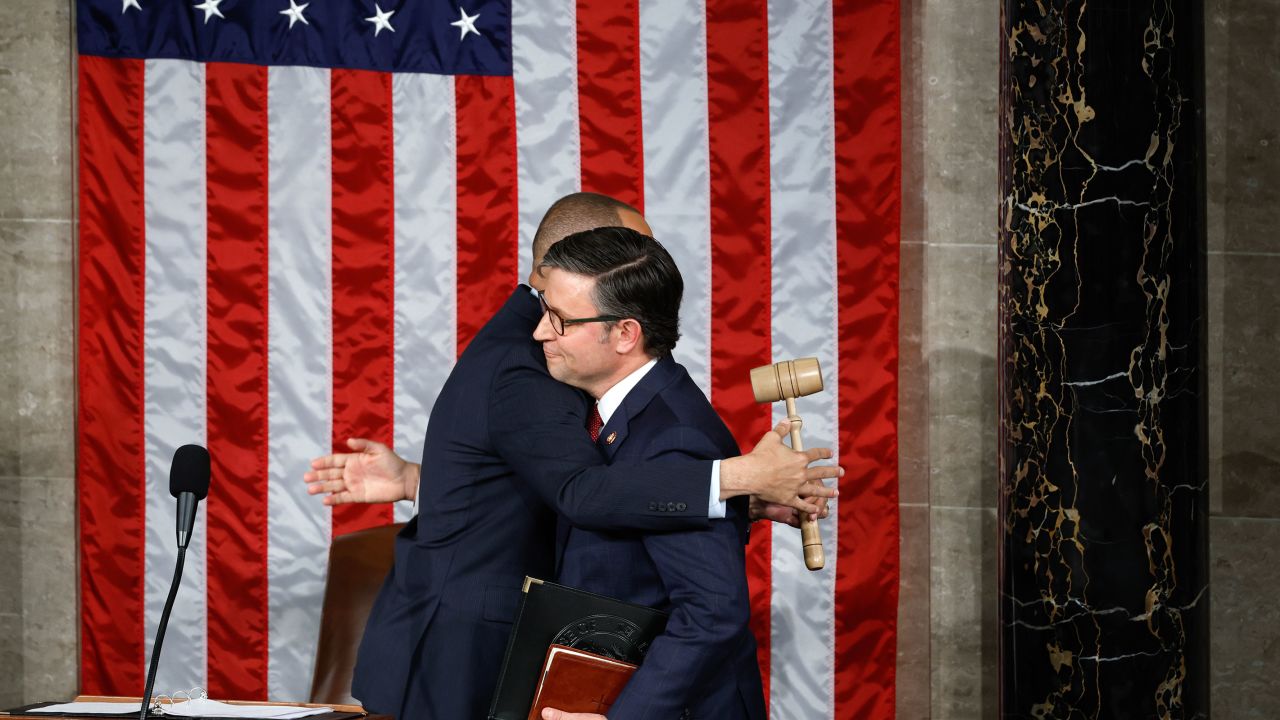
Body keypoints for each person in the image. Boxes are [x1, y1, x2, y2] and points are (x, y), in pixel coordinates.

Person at [305, 193, 838, 718]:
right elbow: (580, 493)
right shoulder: (532, 365)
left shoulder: (664, 424)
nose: (646, 272)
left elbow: (706, 604)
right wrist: (737, 479)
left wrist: (738, 493)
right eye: (625, 249)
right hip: (465, 654)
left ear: (624, 331)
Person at [534, 226, 765, 719]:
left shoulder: (673, 440)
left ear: (624, 334)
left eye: (560, 320)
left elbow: (713, 613)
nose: (540, 332)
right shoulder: (617, 413)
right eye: (543, 309)